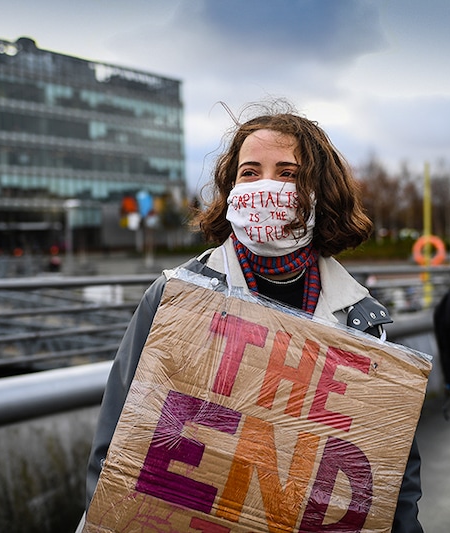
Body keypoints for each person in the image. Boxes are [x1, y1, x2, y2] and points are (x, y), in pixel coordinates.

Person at [79, 104, 424, 532]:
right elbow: (117, 445)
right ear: (230, 190)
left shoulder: (359, 317)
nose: (266, 186)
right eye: (249, 172)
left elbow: (388, 472)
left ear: (320, 191)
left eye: (288, 173)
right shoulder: (175, 296)